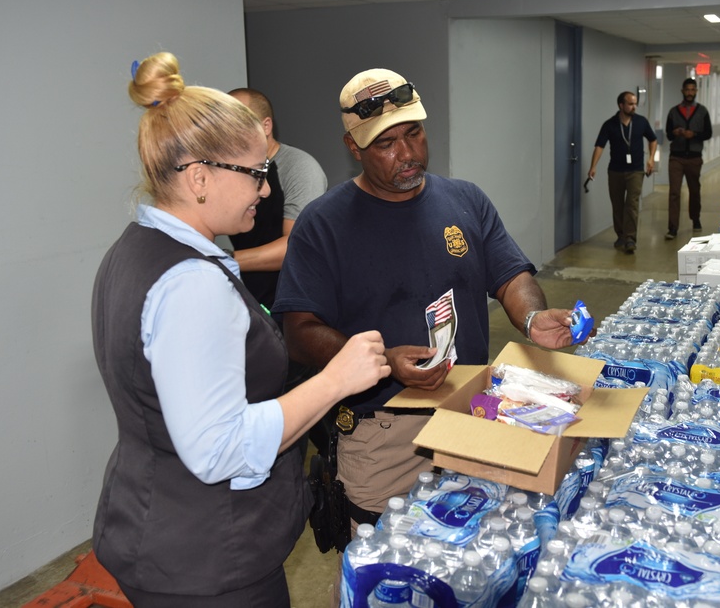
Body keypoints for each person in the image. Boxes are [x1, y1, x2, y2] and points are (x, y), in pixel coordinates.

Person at [91, 52, 389, 608]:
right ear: (200, 177)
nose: (263, 189)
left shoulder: (133, 251)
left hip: (150, 526)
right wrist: (335, 381)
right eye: (255, 173)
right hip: (206, 563)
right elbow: (218, 448)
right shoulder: (190, 284)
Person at [274, 68, 582, 531]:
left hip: (474, 409)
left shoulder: (465, 200)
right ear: (353, 147)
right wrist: (381, 360)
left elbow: (509, 274)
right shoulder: (323, 223)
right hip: (384, 430)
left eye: (414, 133)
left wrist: (532, 316)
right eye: (386, 144)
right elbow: (298, 331)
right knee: (388, 572)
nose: (408, 153)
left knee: (474, 550)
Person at [226, 88, 328, 310]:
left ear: (266, 126)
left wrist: (222, 259)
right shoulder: (234, 170)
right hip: (250, 298)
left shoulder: (299, 168)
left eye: (237, 122)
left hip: (290, 304)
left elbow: (296, 248)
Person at [587, 91, 657, 254]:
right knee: (617, 205)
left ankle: (630, 239)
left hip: (636, 171)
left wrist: (651, 158)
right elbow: (599, 146)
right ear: (621, 105)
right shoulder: (610, 124)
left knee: (632, 204)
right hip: (615, 171)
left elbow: (652, 139)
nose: (634, 107)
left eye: (635, 104)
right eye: (631, 104)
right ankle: (621, 235)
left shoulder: (641, 122)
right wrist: (593, 166)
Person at [664, 78, 713, 240]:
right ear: (682, 91)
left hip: (694, 158)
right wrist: (676, 133)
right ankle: (672, 227)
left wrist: (695, 135)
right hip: (676, 157)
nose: (690, 93)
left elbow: (708, 133)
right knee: (674, 192)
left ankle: (695, 218)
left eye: (693, 90)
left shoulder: (702, 111)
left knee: (694, 190)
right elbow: (668, 134)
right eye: (687, 90)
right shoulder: (673, 111)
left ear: (696, 91)